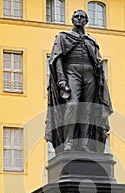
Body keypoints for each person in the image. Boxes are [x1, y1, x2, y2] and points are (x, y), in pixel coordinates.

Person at [45, 10, 113, 154]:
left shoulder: (91, 40)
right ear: (72, 19)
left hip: (90, 74)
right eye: (76, 17)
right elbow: (57, 59)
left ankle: (84, 143)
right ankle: (68, 141)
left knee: (88, 108)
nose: (79, 19)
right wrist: (61, 78)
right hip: (72, 71)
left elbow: (97, 60)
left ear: (86, 21)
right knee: (73, 105)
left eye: (82, 17)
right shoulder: (63, 37)